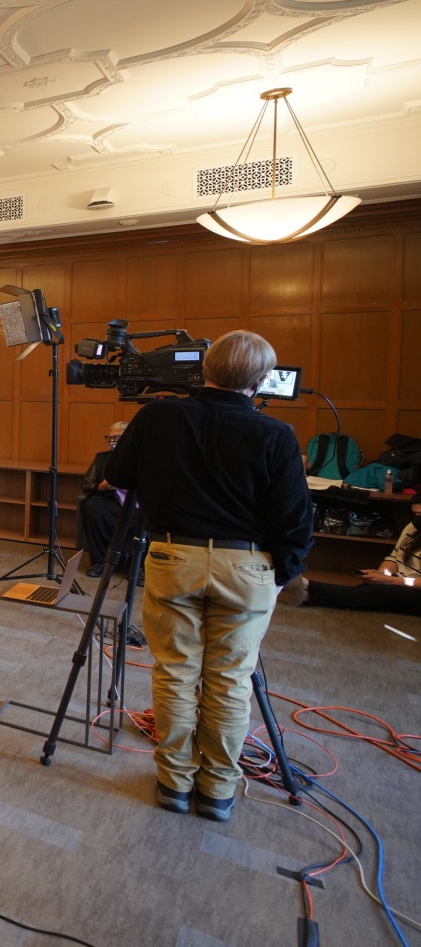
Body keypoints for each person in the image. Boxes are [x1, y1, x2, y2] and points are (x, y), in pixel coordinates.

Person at [104, 330, 313, 824]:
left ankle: (173, 783)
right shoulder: (276, 434)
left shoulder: (158, 414)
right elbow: (295, 519)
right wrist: (282, 576)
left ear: (204, 370)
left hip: (174, 559)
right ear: (262, 381)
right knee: (229, 682)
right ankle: (217, 789)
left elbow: (117, 474)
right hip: (248, 569)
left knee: (175, 674)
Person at [279, 495, 421, 615]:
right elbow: (395, 557)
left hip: (415, 587)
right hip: (402, 580)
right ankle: (307, 595)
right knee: (368, 588)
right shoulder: (412, 527)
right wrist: (382, 574)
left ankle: (307, 585)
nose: (416, 518)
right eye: (415, 514)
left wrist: (391, 581)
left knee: (376, 594)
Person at [77, 421, 129, 577]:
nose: (112, 441)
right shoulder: (101, 458)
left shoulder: (140, 457)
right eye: (110, 438)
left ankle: (134, 565)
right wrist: (102, 486)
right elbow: (87, 484)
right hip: (109, 499)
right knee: (92, 507)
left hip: (134, 503)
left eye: (117, 437)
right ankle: (100, 561)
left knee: (143, 515)